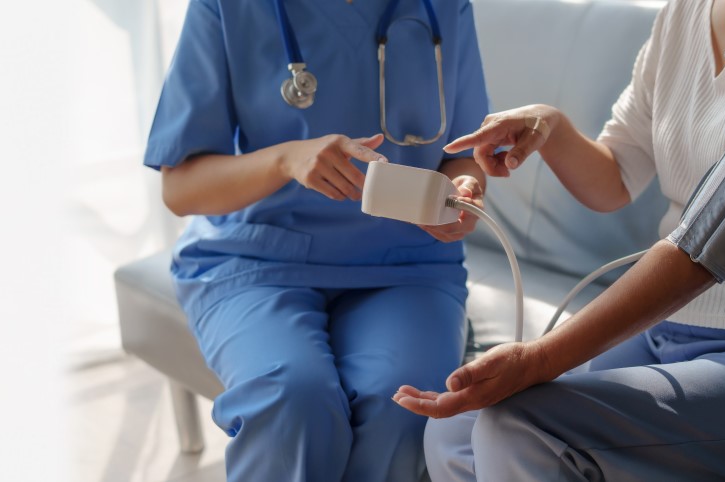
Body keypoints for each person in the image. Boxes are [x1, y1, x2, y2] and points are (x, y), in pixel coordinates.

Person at [393, 0, 725, 479]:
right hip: (668, 328)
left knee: (522, 426)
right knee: (454, 428)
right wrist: (551, 127)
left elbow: (706, 245)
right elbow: (617, 175)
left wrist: (540, 358)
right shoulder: (686, 12)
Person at [143, 0, 489, 480]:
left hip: (407, 263)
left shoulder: (443, 7)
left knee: (405, 406)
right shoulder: (228, 7)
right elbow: (180, 187)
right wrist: (286, 159)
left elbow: (466, 153)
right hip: (258, 256)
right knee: (290, 399)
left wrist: (465, 192)